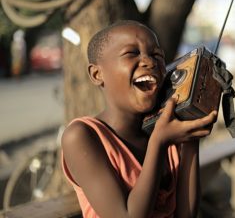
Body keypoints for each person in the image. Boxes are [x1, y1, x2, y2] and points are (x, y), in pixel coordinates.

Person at [61, 20, 218, 218]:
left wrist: (191, 136)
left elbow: (186, 215)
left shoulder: (167, 129)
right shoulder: (82, 136)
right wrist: (159, 143)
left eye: (157, 55)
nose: (149, 62)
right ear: (97, 74)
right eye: (131, 53)